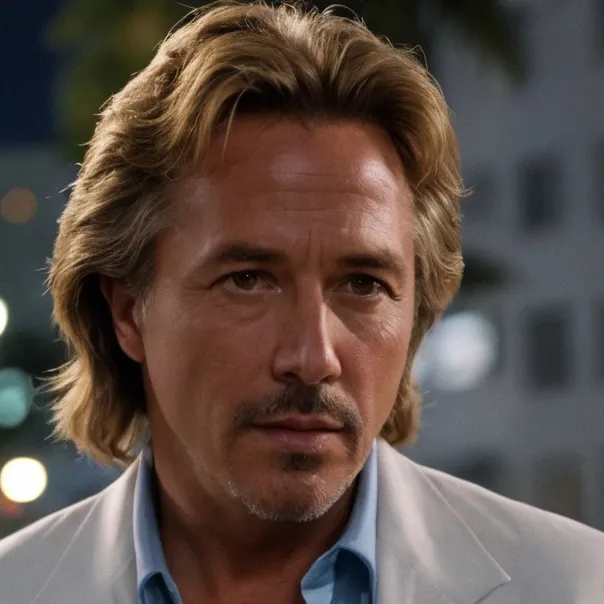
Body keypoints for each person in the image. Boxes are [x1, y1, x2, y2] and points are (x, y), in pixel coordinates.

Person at [1, 2, 603, 603]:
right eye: (248, 280)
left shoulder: (576, 585)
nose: (313, 358)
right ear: (127, 310)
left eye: (363, 285)